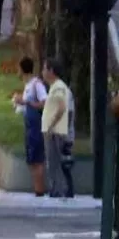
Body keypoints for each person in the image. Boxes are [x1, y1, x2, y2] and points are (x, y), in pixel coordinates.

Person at [12, 57, 47, 196]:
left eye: (18, 69)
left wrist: (26, 102)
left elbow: (44, 103)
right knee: (31, 159)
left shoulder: (36, 85)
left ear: (22, 69)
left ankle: (40, 191)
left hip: (36, 127)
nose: (17, 72)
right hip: (29, 126)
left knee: (37, 159)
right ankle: (37, 189)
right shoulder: (27, 86)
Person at [41, 58, 73, 199]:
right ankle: (56, 190)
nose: (42, 72)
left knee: (55, 163)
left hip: (55, 133)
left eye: (44, 69)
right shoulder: (55, 87)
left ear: (51, 71)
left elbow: (62, 107)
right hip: (54, 132)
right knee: (52, 162)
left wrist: (51, 126)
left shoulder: (59, 87)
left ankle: (59, 192)